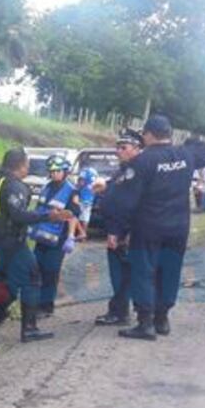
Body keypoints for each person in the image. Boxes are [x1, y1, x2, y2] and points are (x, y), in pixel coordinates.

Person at [109, 115, 205, 340]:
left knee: (144, 272)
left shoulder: (143, 161)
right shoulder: (185, 155)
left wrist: (118, 230)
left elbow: (127, 201)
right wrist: (190, 140)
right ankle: (162, 319)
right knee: (170, 271)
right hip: (178, 227)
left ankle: (145, 323)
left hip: (149, 227)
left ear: (148, 134)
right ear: (169, 134)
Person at [0, 148, 73, 347]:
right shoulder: (15, 186)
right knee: (33, 277)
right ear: (20, 165)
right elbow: (19, 216)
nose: (28, 169)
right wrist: (48, 216)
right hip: (10, 243)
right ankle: (29, 329)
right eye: (27, 165)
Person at [93, 128, 144, 326]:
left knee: (125, 275)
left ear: (137, 149)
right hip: (116, 229)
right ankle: (119, 310)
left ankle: (122, 313)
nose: (119, 151)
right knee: (119, 275)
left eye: (124, 147)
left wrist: (125, 232)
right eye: (118, 147)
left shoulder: (138, 171)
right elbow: (117, 193)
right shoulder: (124, 170)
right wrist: (105, 187)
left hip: (126, 232)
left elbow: (135, 205)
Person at [30, 155, 83, 317]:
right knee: (36, 270)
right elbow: (39, 210)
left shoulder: (71, 191)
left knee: (50, 272)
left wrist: (70, 237)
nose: (54, 174)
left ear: (65, 171)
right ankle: (35, 303)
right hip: (41, 237)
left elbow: (73, 215)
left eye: (57, 171)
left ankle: (46, 306)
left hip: (57, 239)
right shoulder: (46, 187)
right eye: (51, 171)